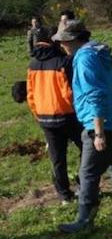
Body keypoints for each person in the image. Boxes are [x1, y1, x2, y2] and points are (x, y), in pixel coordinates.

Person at [52, 20, 112, 233]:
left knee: (88, 174)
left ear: (73, 40)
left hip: (102, 126)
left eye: (63, 41)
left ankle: (84, 221)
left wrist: (98, 132)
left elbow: (95, 96)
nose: (61, 45)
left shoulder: (85, 59)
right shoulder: (99, 53)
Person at [26, 31, 83, 203]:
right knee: (86, 149)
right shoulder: (64, 62)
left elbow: (30, 94)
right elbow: (69, 92)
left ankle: (64, 195)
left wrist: (38, 114)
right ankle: (83, 186)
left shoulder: (32, 64)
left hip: (45, 117)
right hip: (67, 114)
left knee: (57, 158)